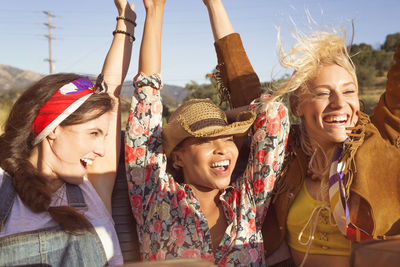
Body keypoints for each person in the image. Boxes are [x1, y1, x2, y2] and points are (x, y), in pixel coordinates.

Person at [202, 0, 400, 266]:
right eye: (322, 93)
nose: (340, 102)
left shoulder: (379, 139)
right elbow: (241, 82)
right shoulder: (284, 154)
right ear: (298, 105)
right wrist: (214, 5)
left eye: (349, 91)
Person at [124, 0, 290, 265]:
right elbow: (146, 97)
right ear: (177, 157)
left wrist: (232, 115)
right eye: (205, 140)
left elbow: (274, 115)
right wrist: (154, 11)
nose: (223, 148)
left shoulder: (248, 200)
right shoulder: (154, 195)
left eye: (227, 138)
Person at [0, 0, 136, 266]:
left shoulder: (91, 185)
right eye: (94, 133)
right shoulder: (3, 189)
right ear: (53, 130)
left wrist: (126, 19)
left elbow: (111, 89)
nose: (103, 150)